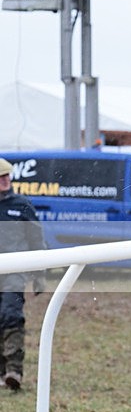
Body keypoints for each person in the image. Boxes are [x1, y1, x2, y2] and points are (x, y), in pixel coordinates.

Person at [0, 158, 46, 391]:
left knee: (11, 315)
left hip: (14, 272)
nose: (5, 180)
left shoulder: (21, 205)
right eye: (1, 178)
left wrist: (40, 275)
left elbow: (36, 239)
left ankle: (13, 370)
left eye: (7, 176)